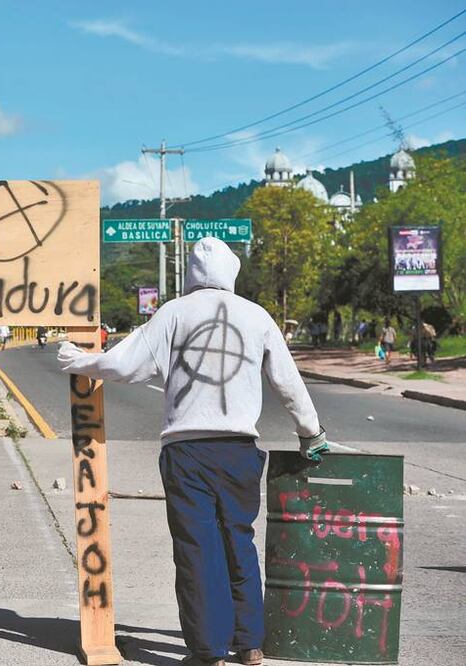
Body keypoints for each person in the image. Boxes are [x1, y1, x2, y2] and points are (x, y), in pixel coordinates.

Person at [58, 238, 325, 666]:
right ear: (232, 273)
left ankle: (208, 650)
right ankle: (250, 643)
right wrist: (311, 433)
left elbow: (126, 365)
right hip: (240, 449)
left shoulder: (174, 313)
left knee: (197, 548)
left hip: (188, 452)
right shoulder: (257, 316)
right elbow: (288, 381)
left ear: (191, 276)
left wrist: (80, 361)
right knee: (239, 539)